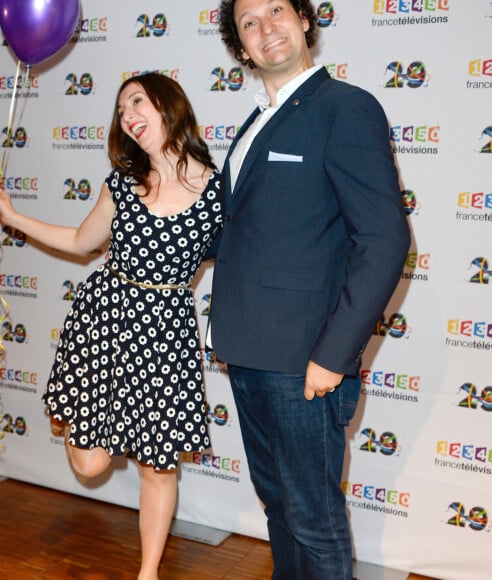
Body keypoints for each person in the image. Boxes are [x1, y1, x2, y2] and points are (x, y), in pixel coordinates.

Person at [0, 72, 222, 580]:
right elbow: (78, 240)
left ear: (169, 104)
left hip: (166, 336)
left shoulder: (220, 190)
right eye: (120, 110)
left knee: (158, 467)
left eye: (136, 101)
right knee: (90, 465)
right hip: (105, 323)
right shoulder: (121, 182)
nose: (127, 115)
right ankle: (74, 413)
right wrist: (12, 216)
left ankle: (148, 572)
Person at [208, 1, 411, 578]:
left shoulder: (346, 109)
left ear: (303, 21)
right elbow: (239, 232)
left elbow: (383, 239)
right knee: (280, 510)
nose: (266, 27)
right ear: (241, 48)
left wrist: (333, 354)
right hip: (246, 354)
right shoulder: (252, 123)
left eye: (277, 10)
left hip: (305, 364)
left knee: (315, 523)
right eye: (250, 23)